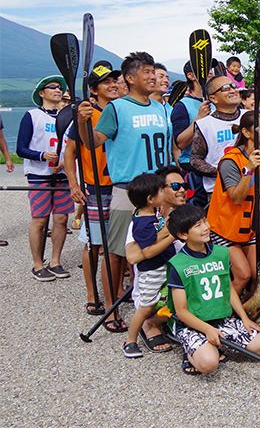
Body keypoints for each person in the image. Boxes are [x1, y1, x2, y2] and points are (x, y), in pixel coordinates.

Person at [78, 52, 173, 330]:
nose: (153, 76)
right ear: (130, 78)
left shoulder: (161, 108)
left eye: (153, 71)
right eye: (146, 71)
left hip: (159, 189)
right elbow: (93, 141)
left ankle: (154, 308)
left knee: (160, 246)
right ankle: (110, 309)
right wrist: (84, 121)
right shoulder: (117, 108)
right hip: (127, 189)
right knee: (117, 251)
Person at [167, 204, 260, 375]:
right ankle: (191, 353)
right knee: (209, 364)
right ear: (183, 235)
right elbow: (181, 311)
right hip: (192, 325)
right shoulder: (178, 264)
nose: (206, 227)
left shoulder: (221, 252)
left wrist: (244, 318)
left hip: (220, 319)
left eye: (205, 221)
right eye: (198, 226)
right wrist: (206, 329)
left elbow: (228, 288)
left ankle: (213, 345)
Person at [65, 62, 120, 314]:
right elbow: (71, 152)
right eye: (106, 82)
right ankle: (91, 293)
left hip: (121, 185)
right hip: (97, 187)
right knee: (94, 244)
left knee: (118, 244)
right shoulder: (86, 114)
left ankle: (116, 290)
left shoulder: (122, 110)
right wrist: (74, 184)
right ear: (94, 90)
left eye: (115, 80)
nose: (113, 85)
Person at [206, 112, 260, 297]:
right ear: (246, 132)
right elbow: (236, 197)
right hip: (224, 228)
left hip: (249, 228)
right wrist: (249, 170)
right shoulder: (230, 160)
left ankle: (249, 310)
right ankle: (221, 310)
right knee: (244, 275)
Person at [18, 75, 74, 281]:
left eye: (60, 87)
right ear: (42, 93)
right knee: (40, 220)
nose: (58, 90)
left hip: (61, 173)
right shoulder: (32, 116)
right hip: (39, 174)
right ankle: (37, 264)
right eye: (52, 87)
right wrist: (41, 155)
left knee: (61, 219)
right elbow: (21, 148)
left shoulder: (67, 116)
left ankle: (56, 260)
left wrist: (65, 162)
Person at [122, 173, 178, 357]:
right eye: (161, 190)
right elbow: (148, 251)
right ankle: (130, 340)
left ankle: (159, 325)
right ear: (150, 198)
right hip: (152, 271)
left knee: (169, 300)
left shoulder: (149, 214)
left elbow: (157, 235)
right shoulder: (143, 223)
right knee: (146, 307)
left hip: (163, 267)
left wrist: (166, 228)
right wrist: (171, 236)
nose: (165, 192)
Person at [190, 75, 246, 202]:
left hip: (252, 186)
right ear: (213, 98)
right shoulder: (205, 125)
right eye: (225, 88)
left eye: (233, 86)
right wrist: (224, 173)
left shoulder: (250, 116)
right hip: (219, 191)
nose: (232, 90)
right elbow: (195, 159)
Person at [171, 62, 209, 203]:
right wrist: (198, 118)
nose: (210, 72)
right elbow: (180, 142)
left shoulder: (217, 102)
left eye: (210, 69)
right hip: (194, 171)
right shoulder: (182, 106)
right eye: (205, 69)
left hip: (215, 169)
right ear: (190, 75)